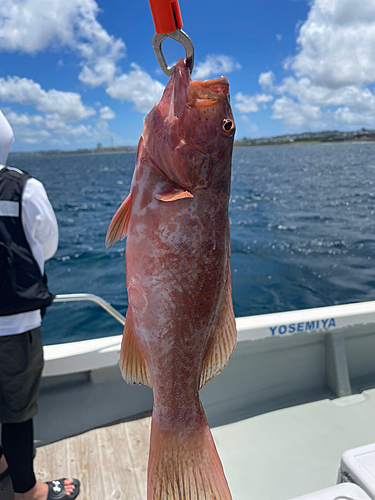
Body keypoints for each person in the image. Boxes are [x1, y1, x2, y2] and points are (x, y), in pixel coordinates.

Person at [0, 110, 81, 500]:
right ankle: (27, 492)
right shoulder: (23, 189)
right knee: (18, 411)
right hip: (15, 328)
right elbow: (47, 245)